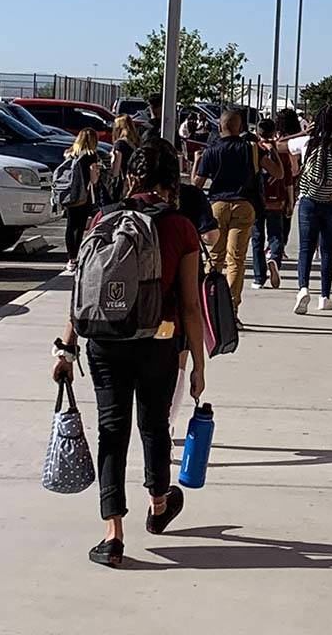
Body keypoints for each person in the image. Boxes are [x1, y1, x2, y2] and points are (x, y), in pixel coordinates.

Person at [51, 140, 205, 567]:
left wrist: (66, 347)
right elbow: (191, 305)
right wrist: (197, 365)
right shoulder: (181, 227)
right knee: (154, 425)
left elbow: (83, 290)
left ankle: (113, 534)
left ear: (132, 176)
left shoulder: (103, 217)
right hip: (159, 341)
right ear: (173, 180)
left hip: (105, 342)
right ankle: (158, 505)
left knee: (111, 431)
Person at [193, 110, 282, 326]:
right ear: (240, 127)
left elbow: (196, 184)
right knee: (237, 259)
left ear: (221, 127)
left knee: (215, 260)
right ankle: (231, 312)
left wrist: (197, 162)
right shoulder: (251, 149)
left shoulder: (212, 151)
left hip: (217, 206)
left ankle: (208, 309)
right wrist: (273, 152)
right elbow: (278, 173)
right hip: (244, 205)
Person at [288, 105, 332, 314]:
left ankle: (303, 289)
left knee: (305, 248)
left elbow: (280, 143)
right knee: (327, 251)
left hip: (309, 201)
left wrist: (304, 132)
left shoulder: (307, 143)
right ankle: (325, 297)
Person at [251, 118, 294, 291]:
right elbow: (288, 178)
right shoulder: (281, 153)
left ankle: (258, 278)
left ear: (257, 133)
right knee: (276, 235)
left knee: (257, 237)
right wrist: (290, 201)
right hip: (277, 199)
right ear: (274, 133)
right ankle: (274, 258)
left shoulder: (255, 151)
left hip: (258, 200)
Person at [62, 128, 100, 273]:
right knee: (80, 226)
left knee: (70, 225)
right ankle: (76, 257)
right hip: (84, 196)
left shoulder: (70, 153)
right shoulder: (91, 156)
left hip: (70, 194)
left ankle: (70, 258)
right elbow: (94, 179)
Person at [275, 108, 303, 256]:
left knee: (274, 214)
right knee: (287, 214)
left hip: (275, 179)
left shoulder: (276, 137)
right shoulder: (296, 140)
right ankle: (281, 246)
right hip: (291, 178)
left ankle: (274, 245)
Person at [110, 114, 141, 200]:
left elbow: (116, 170)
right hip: (134, 182)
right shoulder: (136, 143)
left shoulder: (119, 144)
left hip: (123, 183)